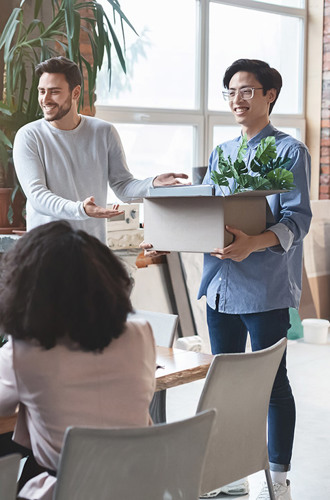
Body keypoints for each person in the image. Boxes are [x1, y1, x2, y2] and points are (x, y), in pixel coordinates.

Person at [143, 59, 312, 500]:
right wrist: (168, 238)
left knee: (272, 383)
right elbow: (207, 214)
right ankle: (228, 474)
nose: (236, 100)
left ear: (270, 95)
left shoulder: (291, 151)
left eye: (247, 91)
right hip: (220, 287)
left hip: (264, 288)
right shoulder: (222, 154)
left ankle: (278, 477)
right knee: (224, 383)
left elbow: (298, 219)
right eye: (230, 92)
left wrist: (253, 243)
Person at [0, 221, 156, 500]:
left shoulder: (23, 352)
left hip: (67, 490)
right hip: (137, 486)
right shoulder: (140, 334)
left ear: (27, 287)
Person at [13, 56, 188, 243]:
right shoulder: (29, 136)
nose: (45, 99)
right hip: (45, 250)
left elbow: (123, 186)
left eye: (54, 92)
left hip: (92, 249)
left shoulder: (103, 132)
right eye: (42, 91)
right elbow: (37, 195)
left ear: (75, 93)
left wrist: (152, 184)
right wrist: (81, 209)